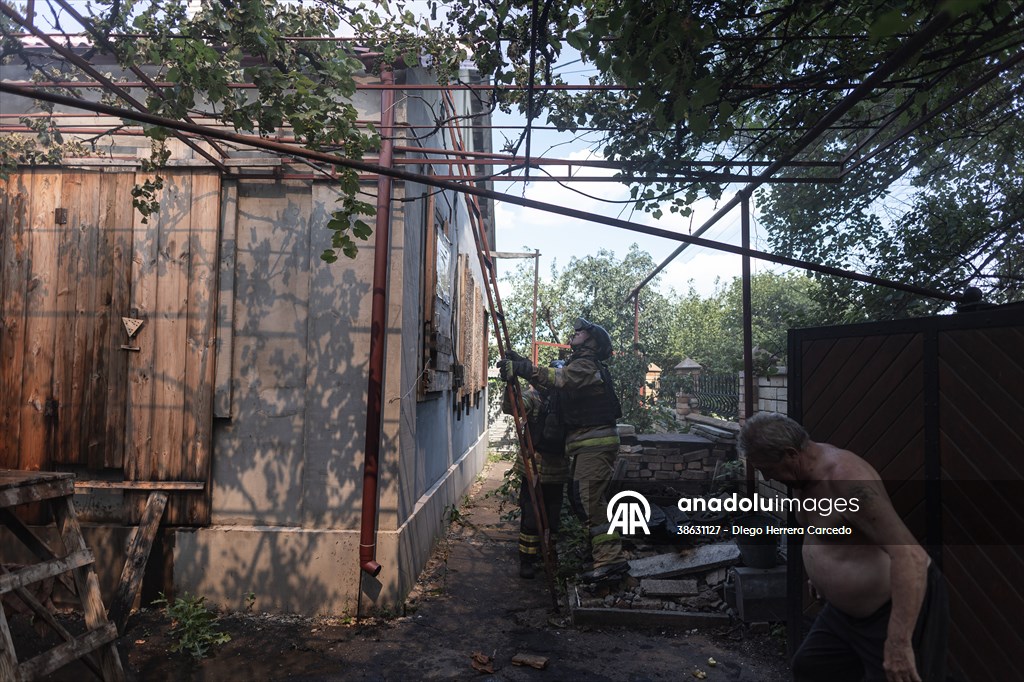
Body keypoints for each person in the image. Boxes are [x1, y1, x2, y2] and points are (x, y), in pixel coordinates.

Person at [737, 412, 948, 682]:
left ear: (791, 454)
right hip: (844, 612)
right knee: (812, 667)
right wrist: (820, 574)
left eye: (767, 469)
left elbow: (910, 555)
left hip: (891, 609)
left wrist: (898, 642)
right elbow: (828, 529)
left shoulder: (847, 482)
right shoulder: (802, 475)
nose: (767, 478)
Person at [498, 318, 628, 582]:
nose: (576, 332)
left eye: (582, 331)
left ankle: (610, 560)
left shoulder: (587, 366)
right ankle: (601, 556)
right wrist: (522, 364)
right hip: (587, 446)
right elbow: (551, 389)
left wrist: (525, 369)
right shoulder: (579, 366)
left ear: (593, 342)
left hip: (595, 444)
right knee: (582, 500)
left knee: (589, 501)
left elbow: (559, 379)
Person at [502, 363, 569, 579]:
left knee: (541, 517)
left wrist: (509, 384)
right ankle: (534, 559)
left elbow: (512, 408)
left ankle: (537, 559)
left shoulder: (555, 400)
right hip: (542, 470)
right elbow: (513, 408)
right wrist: (510, 385)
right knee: (539, 517)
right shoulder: (539, 398)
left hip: (546, 470)